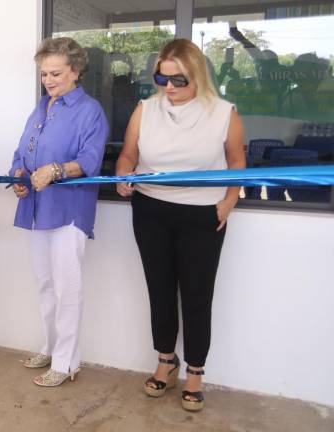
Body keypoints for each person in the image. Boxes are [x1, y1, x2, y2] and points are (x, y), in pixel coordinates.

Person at [115, 39, 246, 411]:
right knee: (159, 289)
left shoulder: (223, 112)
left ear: (198, 76)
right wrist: (124, 176)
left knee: (197, 294)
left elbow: (237, 162)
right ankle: (165, 361)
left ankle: (195, 372)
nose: (169, 87)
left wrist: (229, 202)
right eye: (162, 79)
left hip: (202, 215)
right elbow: (128, 155)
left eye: (178, 80)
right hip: (151, 210)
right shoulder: (145, 109)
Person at [10, 37, 108, 387]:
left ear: (75, 71)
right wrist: (18, 175)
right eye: (44, 74)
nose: (48, 80)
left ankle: (67, 362)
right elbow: (21, 152)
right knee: (45, 283)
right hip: (37, 209)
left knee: (67, 288)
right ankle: (51, 347)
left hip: (69, 211)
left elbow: (90, 161)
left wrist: (54, 170)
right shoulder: (40, 108)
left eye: (55, 73)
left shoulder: (90, 111)